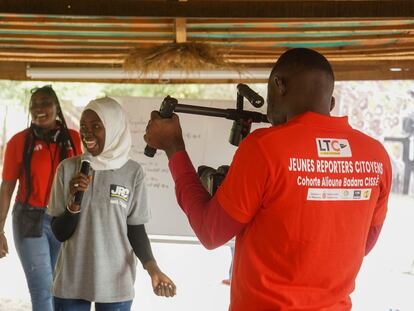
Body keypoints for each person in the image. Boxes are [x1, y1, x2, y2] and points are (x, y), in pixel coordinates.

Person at [144, 48, 392, 310]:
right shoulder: (377, 156)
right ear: (329, 102)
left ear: (279, 85)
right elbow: (363, 245)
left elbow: (211, 231)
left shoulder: (264, 148)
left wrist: (174, 147)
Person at [47, 97, 176, 311]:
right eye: (83, 127)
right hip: (72, 280)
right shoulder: (68, 168)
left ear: (114, 127)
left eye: (96, 126)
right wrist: (73, 203)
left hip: (116, 283)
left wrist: (153, 269)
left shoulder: (132, 172)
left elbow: (135, 230)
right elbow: (60, 234)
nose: (87, 133)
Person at [0, 85, 81, 311]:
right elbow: (6, 188)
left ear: (56, 107)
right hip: (29, 218)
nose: (39, 108)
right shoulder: (19, 142)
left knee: (60, 286)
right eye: (34, 104)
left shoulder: (73, 139)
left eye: (45, 102)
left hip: (64, 219)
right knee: (43, 288)